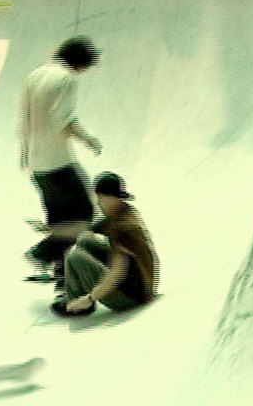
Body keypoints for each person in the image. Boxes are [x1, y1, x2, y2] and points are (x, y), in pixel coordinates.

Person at [19, 36, 102, 294]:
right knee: (85, 217)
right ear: (79, 63)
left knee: (58, 220)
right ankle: (42, 254)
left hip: (36, 163)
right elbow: (62, 120)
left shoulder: (35, 75)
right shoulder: (66, 78)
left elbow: (24, 119)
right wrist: (88, 139)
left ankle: (60, 273)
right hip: (59, 162)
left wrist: (24, 154)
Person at [51, 172, 160, 316]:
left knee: (75, 256)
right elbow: (85, 229)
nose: (98, 203)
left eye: (100, 198)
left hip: (130, 298)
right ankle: (76, 296)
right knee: (85, 240)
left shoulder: (121, 228)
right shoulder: (123, 211)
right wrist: (53, 230)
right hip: (142, 286)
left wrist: (89, 298)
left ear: (110, 198)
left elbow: (117, 272)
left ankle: (76, 305)